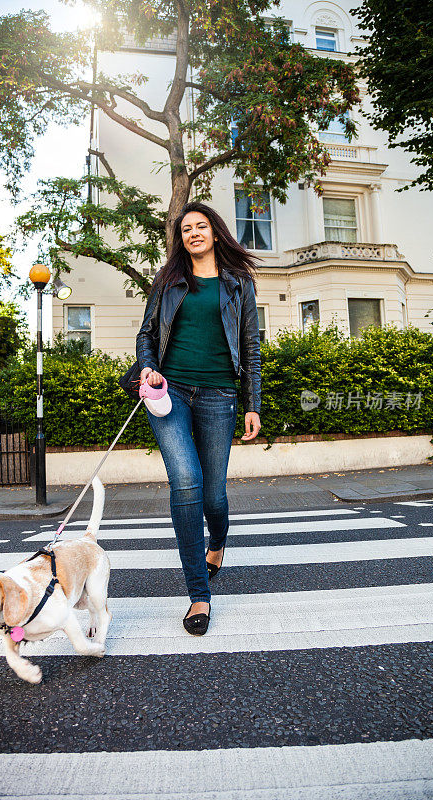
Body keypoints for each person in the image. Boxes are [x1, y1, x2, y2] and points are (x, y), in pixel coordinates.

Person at [136, 201, 262, 635]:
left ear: (215, 232)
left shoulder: (238, 283)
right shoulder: (169, 280)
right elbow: (147, 334)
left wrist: (252, 404)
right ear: (180, 239)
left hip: (220, 395)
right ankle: (198, 595)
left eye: (200, 226)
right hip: (170, 394)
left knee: (213, 496)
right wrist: (148, 365)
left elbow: (251, 348)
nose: (192, 233)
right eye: (185, 229)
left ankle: (218, 543)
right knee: (186, 482)